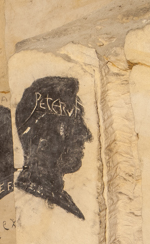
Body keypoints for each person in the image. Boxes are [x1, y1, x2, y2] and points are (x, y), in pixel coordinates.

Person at [14, 76, 93, 219]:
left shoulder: (59, 199)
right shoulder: (32, 207)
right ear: (41, 139)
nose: (86, 135)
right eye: (74, 124)